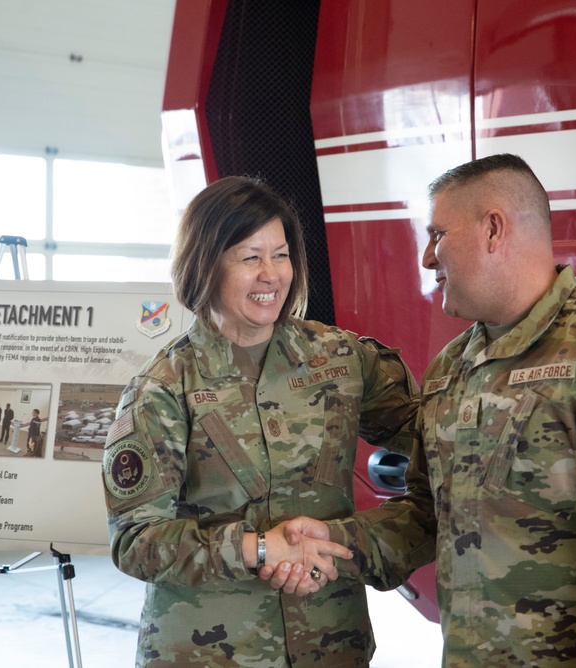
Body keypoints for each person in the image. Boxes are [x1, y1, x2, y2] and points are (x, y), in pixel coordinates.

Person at [266, 154, 576, 667]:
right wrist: (336, 543)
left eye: (438, 235)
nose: (427, 258)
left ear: (493, 229)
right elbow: (431, 515)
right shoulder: (454, 365)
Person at [101, 175, 419, 667]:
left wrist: (360, 541)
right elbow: (137, 541)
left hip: (330, 643)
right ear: (205, 263)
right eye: (250, 258)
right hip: (211, 653)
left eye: (282, 254)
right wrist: (259, 548)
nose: (271, 274)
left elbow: (436, 442)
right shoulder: (163, 388)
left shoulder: (339, 358)